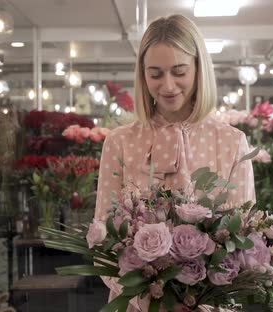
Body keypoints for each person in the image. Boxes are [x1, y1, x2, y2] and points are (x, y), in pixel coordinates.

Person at [94, 14, 256, 312]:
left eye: (179, 71)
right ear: (142, 75)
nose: (168, 86)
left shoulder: (232, 142)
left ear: (198, 68)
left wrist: (201, 300)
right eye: (155, 74)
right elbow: (104, 238)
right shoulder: (119, 142)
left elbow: (240, 240)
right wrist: (144, 298)